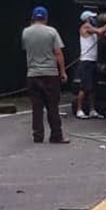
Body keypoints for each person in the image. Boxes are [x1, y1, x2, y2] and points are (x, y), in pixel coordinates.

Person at [22, 7, 69, 144]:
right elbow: (58, 53)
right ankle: (56, 135)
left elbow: (25, 48)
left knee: (37, 107)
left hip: (32, 73)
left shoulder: (26, 32)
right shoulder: (52, 32)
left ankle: (38, 135)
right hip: (50, 73)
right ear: (46, 18)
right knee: (52, 106)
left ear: (33, 18)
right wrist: (63, 71)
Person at [75, 10, 106, 120]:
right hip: (86, 61)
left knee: (92, 88)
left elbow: (104, 34)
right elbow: (101, 31)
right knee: (84, 87)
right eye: (92, 17)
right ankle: (79, 110)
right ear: (88, 19)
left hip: (93, 61)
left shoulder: (92, 31)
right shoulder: (86, 27)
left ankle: (92, 110)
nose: (95, 19)